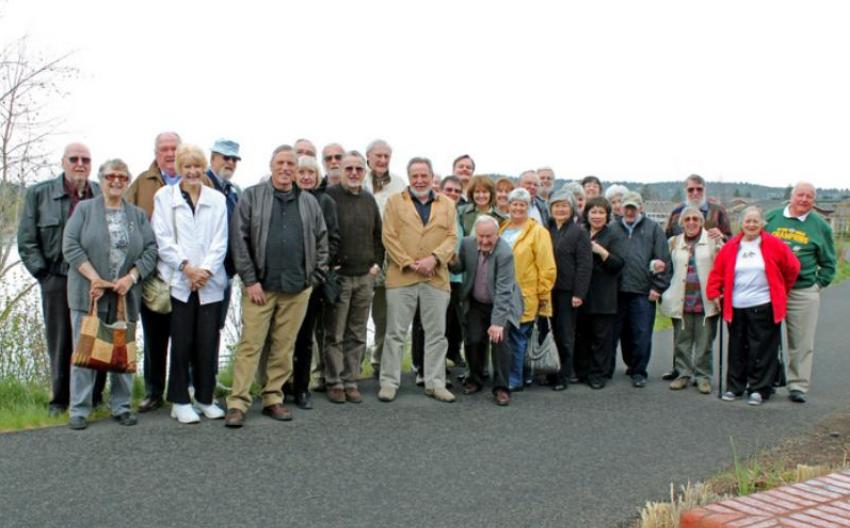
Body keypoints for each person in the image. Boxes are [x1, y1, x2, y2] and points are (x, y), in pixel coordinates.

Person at [224, 145, 329, 428]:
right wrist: (250, 280)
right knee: (251, 345)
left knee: (284, 346)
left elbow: (322, 241)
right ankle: (238, 403)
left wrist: (314, 278)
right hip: (261, 288)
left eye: (290, 164)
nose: (286, 168)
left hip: (297, 288)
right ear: (271, 166)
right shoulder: (252, 197)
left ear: (296, 170)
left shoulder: (308, 203)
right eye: (281, 163)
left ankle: (273, 398)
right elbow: (240, 240)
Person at [61, 159, 157, 429]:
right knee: (84, 352)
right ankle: (79, 409)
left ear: (127, 182)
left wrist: (132, 277)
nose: (116, 181)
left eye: (122, 177)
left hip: (124, 296)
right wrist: (95, 278)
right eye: (111, 176)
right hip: (88, 294)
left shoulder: (136, 215)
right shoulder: (84, 210)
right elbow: (70, 246)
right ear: (101, 180)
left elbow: (151, 249)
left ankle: (122, 406)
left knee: (121, 351)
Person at [125, 131, 212, 413]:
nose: (170, 153)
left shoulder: (204, 182)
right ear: (156, 152)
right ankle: (153, 391)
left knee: (186, 336)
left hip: (192, 278)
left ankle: (186, 388)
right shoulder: (143, 183)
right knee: (155, 338)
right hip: (155, 275)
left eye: (174, 147)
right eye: (164, 149)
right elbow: (129, 222)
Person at [18, 142, 106, 416]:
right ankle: (59, 400)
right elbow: (26, 240)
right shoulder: (39, 194)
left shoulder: (100, 192)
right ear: (63, 162)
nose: (80, 164)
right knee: (60, 339)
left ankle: (94, 397)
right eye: (74, 158)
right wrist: (43, 275)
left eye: (86, 159)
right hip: (57, 276)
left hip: (94, 279)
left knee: (95, 337)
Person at [151, 145, 228, 424]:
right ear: (179, 169)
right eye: (187, 167)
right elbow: (162, 238)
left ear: (203, 167)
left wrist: (204, 271)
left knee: (208, 342)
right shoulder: (165, 197)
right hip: (180, 281)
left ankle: (205, 397)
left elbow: (221, 240)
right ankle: (180, 400)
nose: (193, 172)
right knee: (181, 342)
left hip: (210, 282)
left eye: (197, 166)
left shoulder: (217, 199)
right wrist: (187, 268)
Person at [378, 157, 458, 403]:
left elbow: (452, 237)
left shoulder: (447, 204)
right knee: (395, 333)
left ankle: (436, 383)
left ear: (432, 176)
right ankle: (389, 382)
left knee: (437, 333)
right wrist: (410, 263)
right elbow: (388, 236)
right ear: (409, 177)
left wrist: (434, 259)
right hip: (402, 276)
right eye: (415, 175)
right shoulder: (394, 202)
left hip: (436, 277)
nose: (419, 180)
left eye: (424, 175)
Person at [707, 206, 800, 406]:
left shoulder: (774, 244)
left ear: (762, 224)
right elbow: (718, 272)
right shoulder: (731, 246)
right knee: (737, 347)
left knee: (763, 349)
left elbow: (792, 267)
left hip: (764, 304)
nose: (751, 225)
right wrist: (714, 292)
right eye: (747, 221)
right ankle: (735, 387)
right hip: (736, 305)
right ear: (741, 223)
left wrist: (781, 290)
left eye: (755, 221)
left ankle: (759, 388)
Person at [765, 182, 836, 403]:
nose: (804, 200)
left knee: (801, 342)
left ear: (814, 201)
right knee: (766, 339)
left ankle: (798, 385)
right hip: (771, 289)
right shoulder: (772, 218)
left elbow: (829, 262)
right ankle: (764, 382)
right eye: (800, 195)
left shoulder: (820, 226)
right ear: (792, 196)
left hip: (803, 291)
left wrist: (817, 284)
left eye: (809, 197)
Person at [324, 151, 383, 403]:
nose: (354, 173)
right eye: (349, 169)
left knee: (357, 333)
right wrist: (328, 265)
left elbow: (378, 236)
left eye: (359, 169)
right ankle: (334, 381)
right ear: (340, 170)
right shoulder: (330, 197)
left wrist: (377, 265)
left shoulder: (369, 200)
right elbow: (322, 234)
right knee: (335, 333)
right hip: (340, 278)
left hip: (365, 276)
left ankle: (351, 379)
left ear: (364, 171)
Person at [449, 216, 523, 405]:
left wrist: (498, 323)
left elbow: (505, 290)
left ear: (497, 234)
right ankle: (475, 379)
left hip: (500, 303)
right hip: (475, 302)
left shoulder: (505, 253)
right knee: (473, 339)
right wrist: (452, 261)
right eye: (480, 236)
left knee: (499, 342)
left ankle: (501, 388)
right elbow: (459, 268)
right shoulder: (467, 244)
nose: (484, 241)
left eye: (489, 236)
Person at [290, 155, 340, 408]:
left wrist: (318, 272)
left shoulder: (325, 201)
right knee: (284, 336)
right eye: (302, 172)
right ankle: (282, 385)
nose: (306, 176)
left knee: (306, 337)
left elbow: (332, 240)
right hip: (286, 280)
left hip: (312, 281)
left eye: (311, 172)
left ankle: (302, 389)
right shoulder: (286, 197)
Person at [609, 191, 671, 387]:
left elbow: (664, 260)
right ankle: (608, 368)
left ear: (640, 208)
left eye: (633, 208)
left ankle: (638, 371)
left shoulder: (653, 229)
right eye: (626, 208)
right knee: (615, 334)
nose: (629, 212)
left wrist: (658, 287)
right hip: (617, 291)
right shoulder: (612, 228)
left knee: (641, 334)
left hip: (643, 291)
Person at [660, 206, 723, 394]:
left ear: (702, 222)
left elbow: (723, 267)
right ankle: (683, 374)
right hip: (681, 298)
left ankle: (703, 377)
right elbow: (664, 266)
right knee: (682, 341)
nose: (691, 222)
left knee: (704, 343)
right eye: (687, 219)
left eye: (695, 219)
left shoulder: (713, 240)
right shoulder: (673, 242)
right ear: (682, 223)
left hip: (706, 300)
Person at [499, 188, 556, 391]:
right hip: (503, 292)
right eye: (514, 203)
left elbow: (547, 266)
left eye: (522, 204)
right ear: (508, 205)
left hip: (525, 294)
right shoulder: (503, 228)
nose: (518, 208)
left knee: (518, 336)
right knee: (504, 337)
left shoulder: (538, 232)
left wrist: (543, 294)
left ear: (529, 207)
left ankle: (516, 378)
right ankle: (506, 374)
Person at [363, 139, 406, 377]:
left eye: (386, 156)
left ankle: (381, 363)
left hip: (390, 257)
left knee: (384, 316)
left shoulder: (399, 184)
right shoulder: (360, 180)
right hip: (362, 256)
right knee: (356, 316)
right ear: (368, 157)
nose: (382, 160)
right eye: (377, 156)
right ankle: (353, 367)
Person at [574, 197, 625, 389]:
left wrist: (601, 252)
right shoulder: (580, 232)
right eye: (593, 212)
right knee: (583, 335)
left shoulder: (613, 235)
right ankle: (582, 371)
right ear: (586, 213)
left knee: (601, 337)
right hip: (582, 292)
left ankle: (598, 374)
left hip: (604, 294)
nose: (597, 216)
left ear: (607, 215)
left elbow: (618, 264)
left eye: (601, 212)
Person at [546, 189, 592, 390]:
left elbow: (584, 265)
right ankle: (549, 370)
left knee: (565, 334)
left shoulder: (579, 232)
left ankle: (564, 375)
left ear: (572, 208)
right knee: (548, 332)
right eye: (556, 205)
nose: (560, 209)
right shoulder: (545, 229)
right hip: (547, 289)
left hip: (567, 291)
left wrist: (578, 294)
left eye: (564, 205)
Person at [206, 138, 241, 330]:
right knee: (200, 333)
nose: (230, 163)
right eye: (226, 158)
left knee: (215, 330)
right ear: (213, 158)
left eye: (234, 160)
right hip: (204, 273)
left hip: (225, 272)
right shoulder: (203, 184)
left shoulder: (232, 191)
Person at [665, 174, 731, 239]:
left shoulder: (718, 211)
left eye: (699, 189)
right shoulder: (676, 212)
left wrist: (722, 236)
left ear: (705, 190)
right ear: (685, 191)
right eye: (691, 190)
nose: (695, 193)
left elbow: (730, 239)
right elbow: (666, 239)